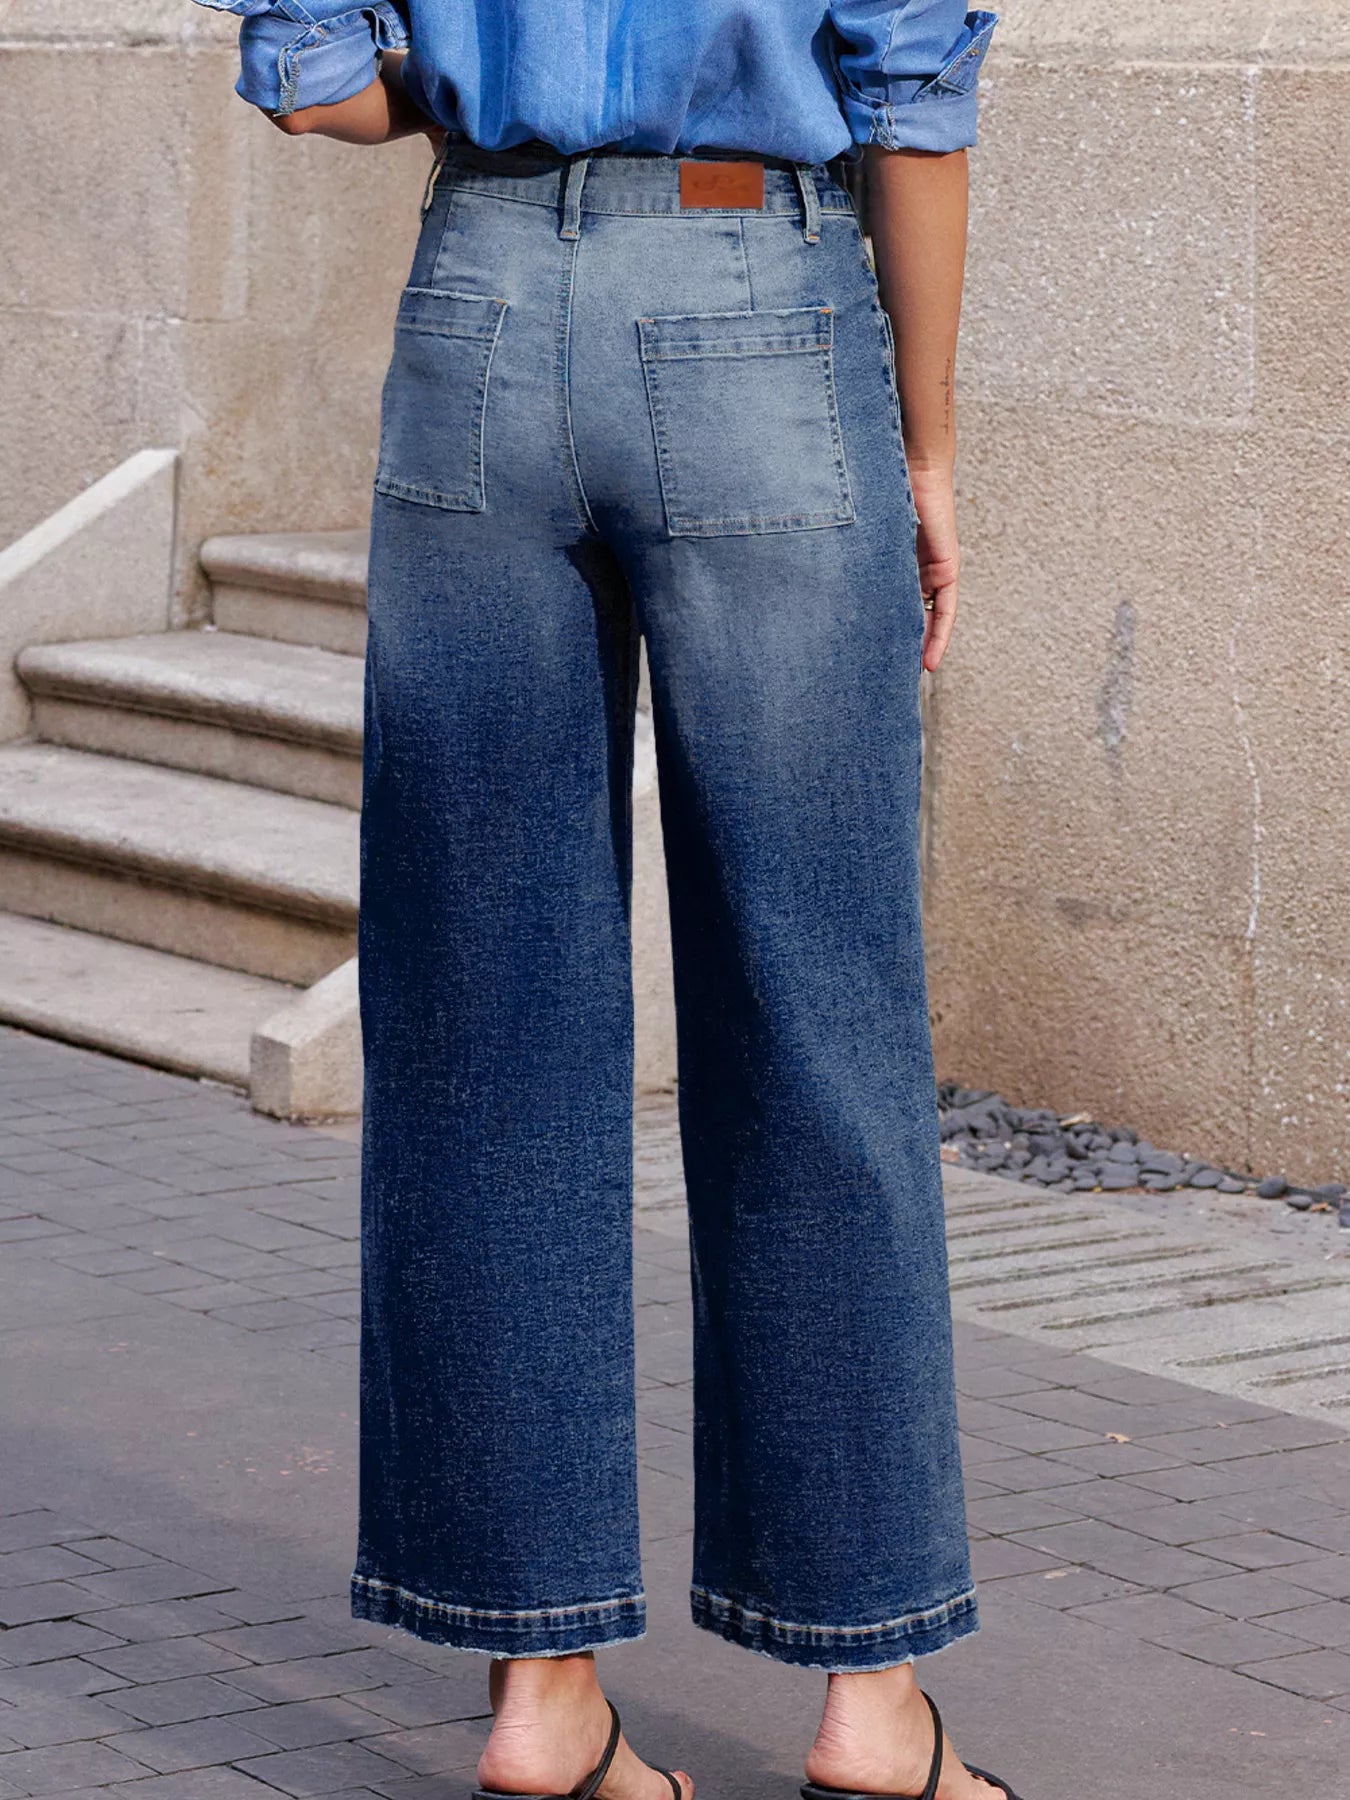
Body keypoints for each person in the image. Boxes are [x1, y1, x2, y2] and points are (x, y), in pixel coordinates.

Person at [195, 5, 1020, 1798]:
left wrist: (494, 105)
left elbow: (313, 83)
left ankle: (540, 1696)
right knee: (814, 1024)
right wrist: (931, 453)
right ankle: (870, 1706)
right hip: (759, 301)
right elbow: (913, 103)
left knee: (483, 1040)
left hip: (480, 306)